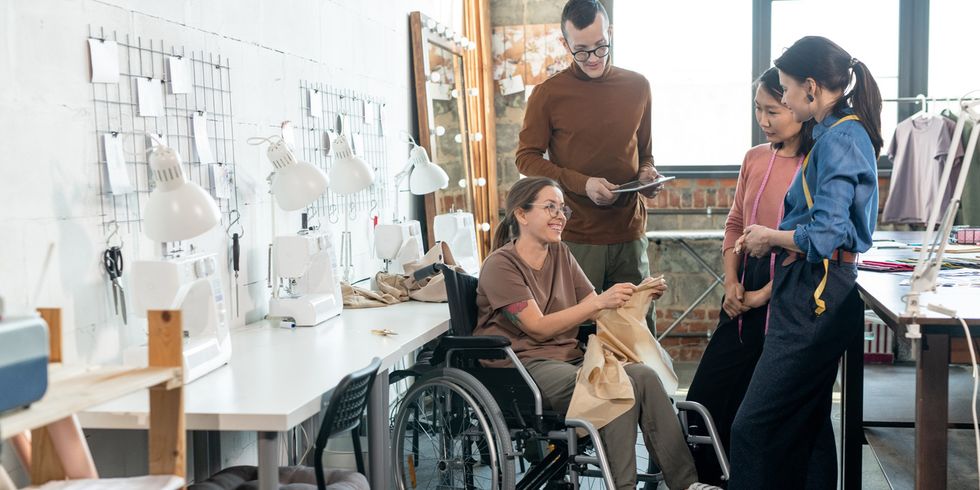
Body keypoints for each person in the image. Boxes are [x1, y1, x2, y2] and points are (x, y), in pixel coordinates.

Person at [474, 177, 720, 490]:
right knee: (614, 383)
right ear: (522, 215)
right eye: (550, 207)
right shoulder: (501, 265)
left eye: (563, 209)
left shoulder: (560, 253)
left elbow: (596, 308)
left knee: (643, 375)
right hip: (523, 366)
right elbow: (537, 327)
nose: (560, 215)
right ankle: (623, 486)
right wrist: (600, 301)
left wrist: (638, 296)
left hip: (568, 358)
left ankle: (686, 484)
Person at [728, 36, 882, 489]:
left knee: (752, 427)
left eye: (787, 88)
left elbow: (827, 234)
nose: (786, 98)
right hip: (818, 287)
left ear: (811, 88)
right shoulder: (838, 133)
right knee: (810, 424)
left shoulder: (838, 140)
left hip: (815, 292)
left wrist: (769, 236)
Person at [684, 67, 813, 486]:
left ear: (798, 105)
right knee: (705, 395)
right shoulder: (755, 157)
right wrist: (731, 282)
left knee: (760, 411)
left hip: (789, 289)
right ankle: (709, 479)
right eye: (758, 109)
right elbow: (736, 221)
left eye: (773, 110)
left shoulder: (816, 164)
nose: (763, 119)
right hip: (743, 284)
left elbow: (810, 248)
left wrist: (763, 296)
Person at [516, 0, 663, 335]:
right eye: (581, 51)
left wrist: (647, 175)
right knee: (578, 336)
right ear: (565, 44)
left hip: (629, 233)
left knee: (637, 334)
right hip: (576, 236)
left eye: (600, 47)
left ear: (609, 32)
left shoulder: (638, 86)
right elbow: (526, 159)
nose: (594, 58)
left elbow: (646, 155)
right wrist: (582, 184)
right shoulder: (548, 94)